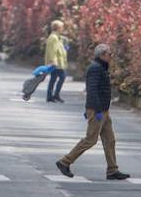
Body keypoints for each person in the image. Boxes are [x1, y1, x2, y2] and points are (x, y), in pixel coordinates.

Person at [55, 43, 130, 181]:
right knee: (90, 140)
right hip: (98, 110)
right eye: (109, 54)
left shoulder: (101, 67)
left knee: (110, 140)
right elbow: (92, 90)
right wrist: (95, 110)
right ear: (101, 55)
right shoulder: (95, 68)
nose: (111, 56)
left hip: (103, 110)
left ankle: (112, 170)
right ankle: (65, 162)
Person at [43, 20, 68, 103]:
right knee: (62, 77)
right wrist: (53, 61)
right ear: (58, 28)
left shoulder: (57, 37)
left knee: (53, 79)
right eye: (62, 27)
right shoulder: (53, 37)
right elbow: (52, 50)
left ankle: (50, 96)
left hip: (59, 62)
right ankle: (55, 95)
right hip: (57, 63)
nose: (63, 29)